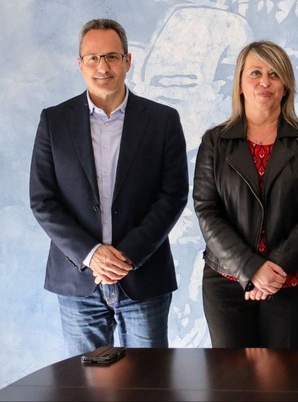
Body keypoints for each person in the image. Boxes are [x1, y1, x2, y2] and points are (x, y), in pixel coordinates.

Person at [29, 18, 189, 356]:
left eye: (112, 57)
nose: (103, 67)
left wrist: (127, 255)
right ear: (80, 64)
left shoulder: (162, 120)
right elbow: (43, 200)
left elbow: (173, 194)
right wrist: (92, 254)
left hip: (143, 278)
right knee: (86, 386)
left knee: (147, 385)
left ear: (128, 61)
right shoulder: (54, 121)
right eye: (93, 58)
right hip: (77, 282)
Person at [193, 41, 298, 349]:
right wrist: (252, 268)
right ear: (240, 84)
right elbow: (206, 210)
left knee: (290, 386)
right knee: (233, 386)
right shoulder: (215, 142)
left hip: (295, 281)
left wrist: (274, 269)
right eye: (255, 73)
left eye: (274, 74)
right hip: (228, 283)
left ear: (286, 86)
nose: (264, 82)